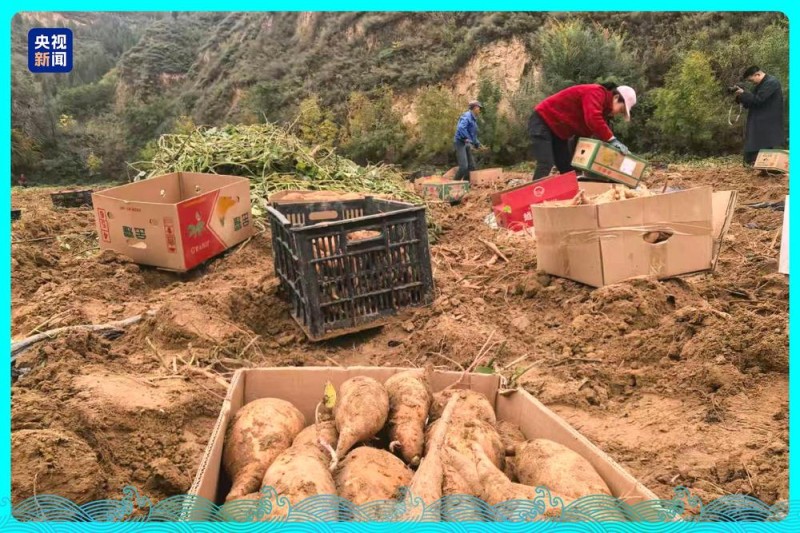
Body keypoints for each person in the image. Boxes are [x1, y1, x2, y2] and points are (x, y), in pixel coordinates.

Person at [529, 83, 637, 180]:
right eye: (621, 110)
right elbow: (593, 118)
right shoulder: (596, 92)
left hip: (559, 132)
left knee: (567, 169)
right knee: (546, 163)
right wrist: (612, 140)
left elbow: (583, 136)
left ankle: (571, 193)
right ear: (616, 97)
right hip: (543, 120)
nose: (618, 113)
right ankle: (533, 194)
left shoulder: (603, 111)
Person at [735, 66, 784, 170]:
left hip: (768, 120)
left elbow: (758, 100)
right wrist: (740, 97)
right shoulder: (760, 84)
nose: (752, 82)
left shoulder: (771, 82)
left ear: (757, 74)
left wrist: (744, 93)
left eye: (751, 80)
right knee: (754, 142)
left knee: (765, 143)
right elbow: (751, 101)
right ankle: (755, 165)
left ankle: (767, 168)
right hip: (759, 120)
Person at [453, 100, 483, 181]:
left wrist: (477, 143)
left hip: (466, 143)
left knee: (472, 167)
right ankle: (454, 183)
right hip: (460, 142)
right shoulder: (467, 116)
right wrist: (467, 138)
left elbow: (472, 134)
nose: (480, 110)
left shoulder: (473, 119)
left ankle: (466, 184)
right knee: (463, 167)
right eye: (479, 108)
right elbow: (461, 128)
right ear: (474, 108)